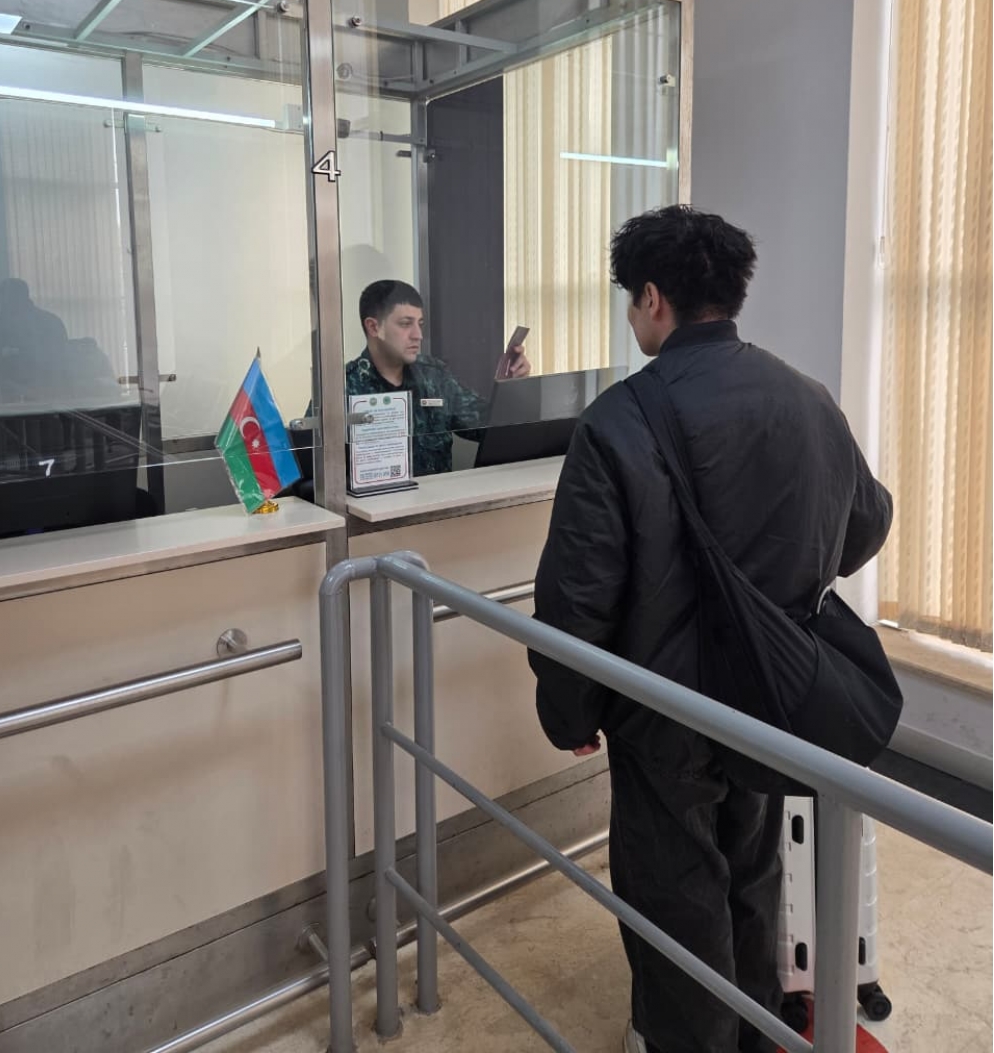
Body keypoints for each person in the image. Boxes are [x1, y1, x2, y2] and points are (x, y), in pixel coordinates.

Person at [528, 206, 893, 1053]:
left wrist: (569, 710)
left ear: (653, 298)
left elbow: (579, 595)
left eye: (631, 298)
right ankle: (759, 1033)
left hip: (663, 708)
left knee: (674, 891)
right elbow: (866, 525)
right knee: (753, 870)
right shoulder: (808, 398)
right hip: (771, 691)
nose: (632, 313)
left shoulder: (617, 421)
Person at [345, 279, 530, 476]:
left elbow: (487, 429)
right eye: (405, 324)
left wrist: (511, 387)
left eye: (420, 324)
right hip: (377, 495)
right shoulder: (345, 387)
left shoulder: (434, 376)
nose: (418, 335)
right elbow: (324, 467)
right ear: (374, 327)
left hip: (439, 494)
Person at [0, 278, 68, 402]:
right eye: (2, 300)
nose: (4, 304)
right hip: (6, 401)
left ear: (22, 298)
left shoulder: (49, 323)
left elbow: (61, 360)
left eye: (8, 299)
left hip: (47, 397)